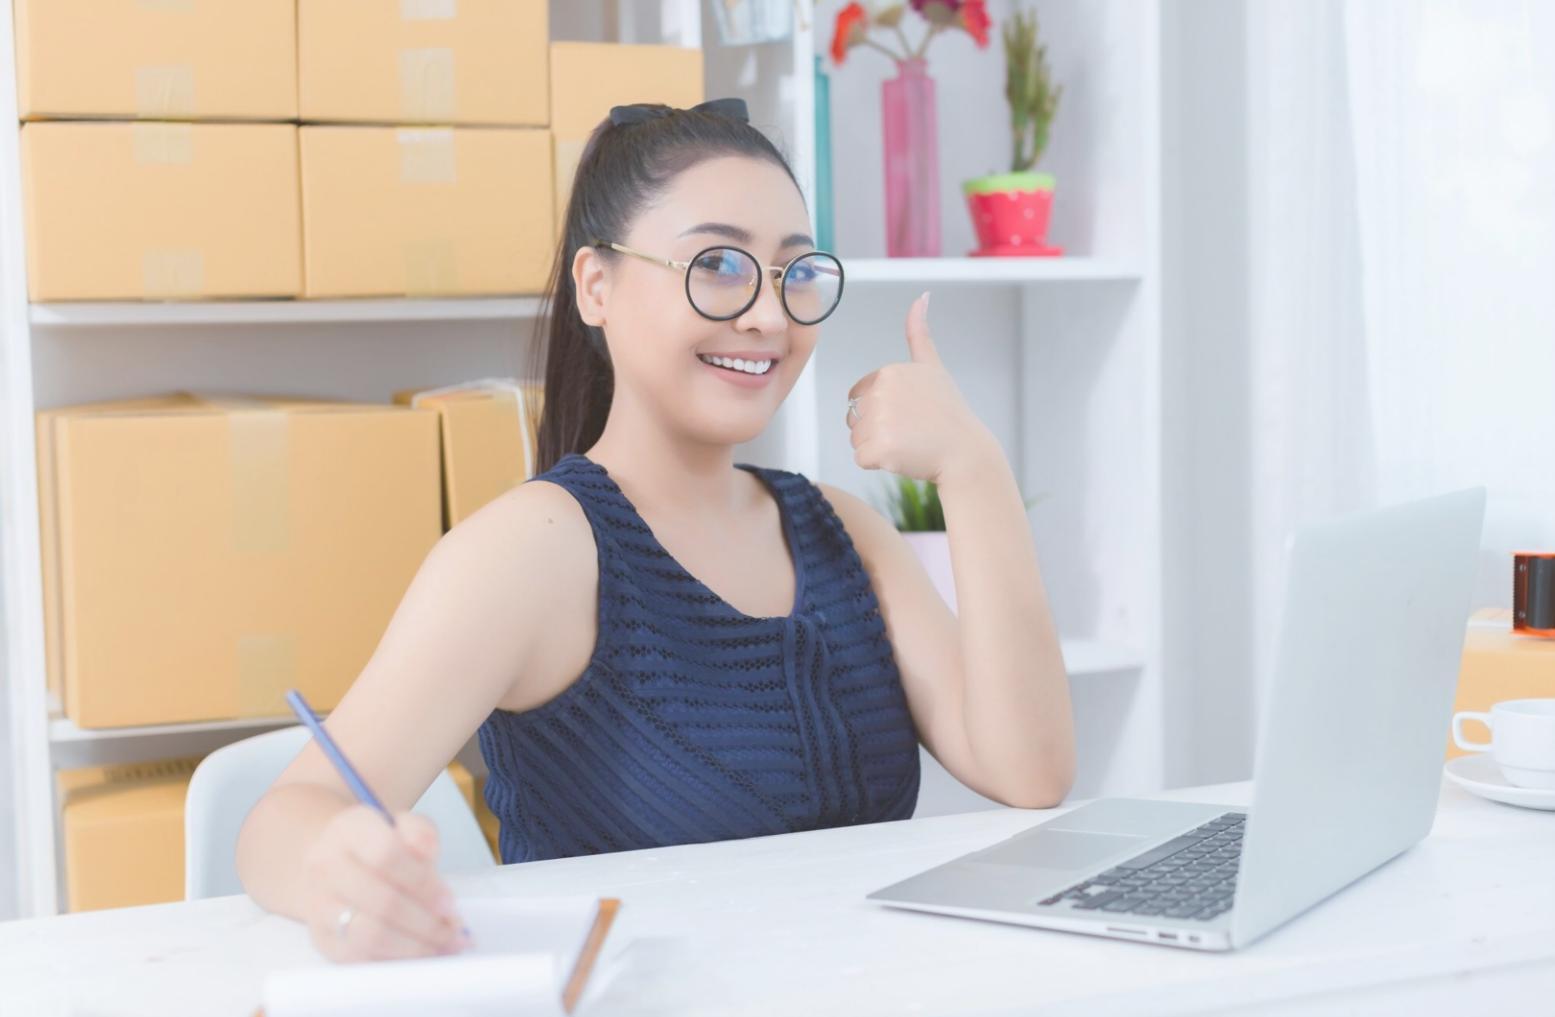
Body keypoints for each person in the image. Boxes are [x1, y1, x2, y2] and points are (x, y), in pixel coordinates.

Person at [236, 98, 1073, 963]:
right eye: (716, 264)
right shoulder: (535, 550)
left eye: (793, 272)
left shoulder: (843, 531)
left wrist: (973, 469)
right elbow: (284, 818)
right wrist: (341, 879)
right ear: (595, 286)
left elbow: (1031, 769)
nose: (767, 316)